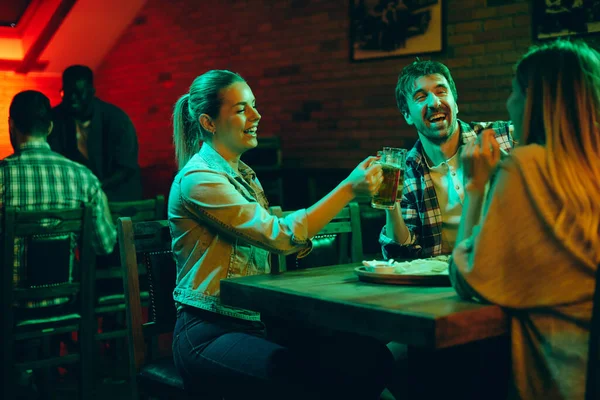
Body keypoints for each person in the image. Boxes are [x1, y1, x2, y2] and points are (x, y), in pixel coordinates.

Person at [169, 70, 393, 400]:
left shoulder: (242, 175)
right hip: (208, 331)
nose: (257, 116)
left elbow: (276, 233)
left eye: (254, 106)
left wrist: (301, 236)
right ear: (209, 122)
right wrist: (347, 189)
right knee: (307, 379)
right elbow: (278, 235)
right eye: (242, 109)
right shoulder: (198, 179)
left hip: (259, 324)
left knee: (368, 357)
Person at [449, 40, 600, 400]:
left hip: (556, 380)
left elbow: (467, 277)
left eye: (513, 91)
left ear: (534, 99)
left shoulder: (527, 166)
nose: (508, 104)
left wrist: (475, 187)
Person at [1, 90, 116, 395]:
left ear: (11, 125)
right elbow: (105, 245)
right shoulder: (83, 178)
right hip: (65, 303)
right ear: (50, 127)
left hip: (11, 306)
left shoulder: (2, 177)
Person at [380, 60, 514, 259]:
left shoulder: (504, 137)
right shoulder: (407, 172)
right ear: (407, 115)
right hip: (446, 282)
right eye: (420, 97)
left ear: (456, 104)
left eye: (441, 92)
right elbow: (402, 253)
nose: (434, 103)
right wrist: (390, 202)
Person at [48, 65, 142, 202]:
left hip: (119, 197)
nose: (72, 98)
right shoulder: (55, 119)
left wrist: (95, 187)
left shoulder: (116, 119)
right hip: (76, 199)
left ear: (92, 91)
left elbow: (126, 167)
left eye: (78, 92)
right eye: (66, 93)